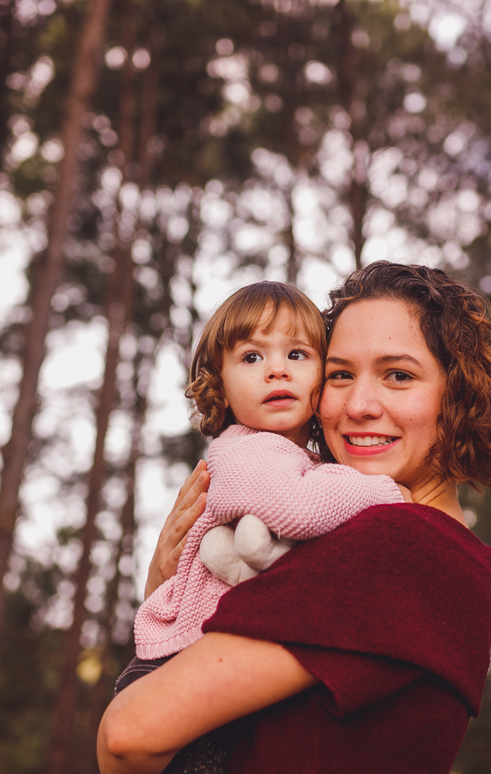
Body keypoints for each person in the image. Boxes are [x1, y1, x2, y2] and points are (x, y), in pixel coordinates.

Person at [98, 262, 491, 774]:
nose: (358, 404)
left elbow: (128, 734)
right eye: (340, 375)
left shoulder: (402, 543)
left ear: (459, 393)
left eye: (398, 375)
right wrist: (168, 585)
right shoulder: (445, 556)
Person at [132, 280, 407, 662]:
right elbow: (294, 509)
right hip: (179, 659)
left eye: (296, 354)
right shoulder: (244, 449)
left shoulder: (296, 460)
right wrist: (387, 492)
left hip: (213, 654)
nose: (277, 370)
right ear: (221, 387)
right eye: (251, 358)